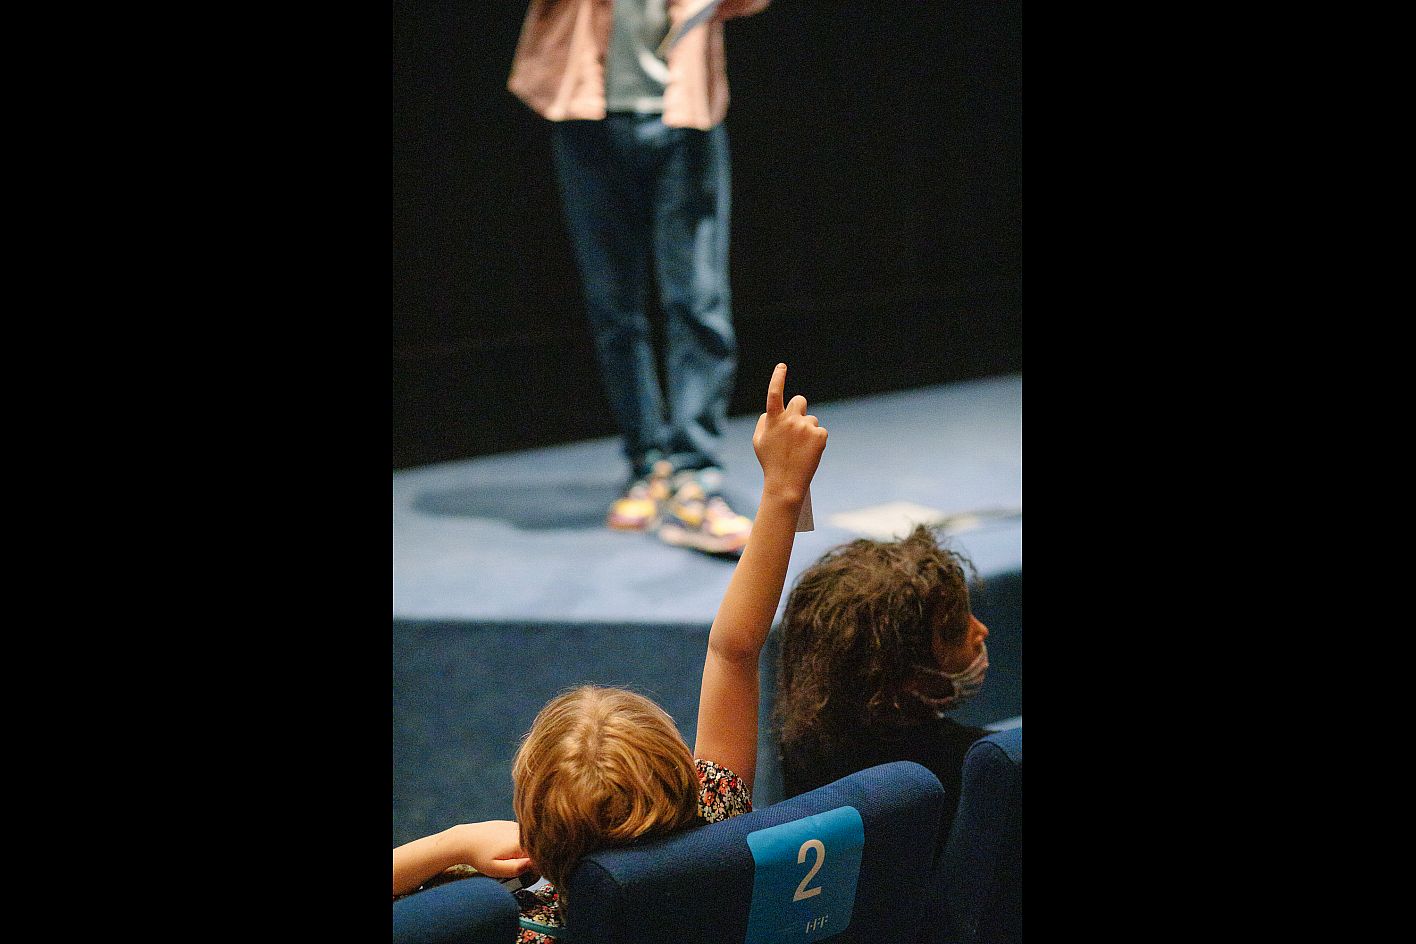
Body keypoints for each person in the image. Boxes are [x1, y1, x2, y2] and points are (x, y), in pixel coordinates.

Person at [393, 363, 827, 943]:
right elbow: (735, 652)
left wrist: (449, 843)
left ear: (533, 834)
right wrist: (782, 491)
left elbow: (735, 652)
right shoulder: (716, 830)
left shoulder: (510, 927)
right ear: (688, 786)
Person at [506, 0, 773, 554]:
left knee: (698, 302)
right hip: (588, 114)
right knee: (614, 308)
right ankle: (648, 465)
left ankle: (694, 475)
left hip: (683, 115)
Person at [773, 525, 992, 841]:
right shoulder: (982, 765)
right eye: (955, 630)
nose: (980, 630)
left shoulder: (803, 743)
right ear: (903, 677)